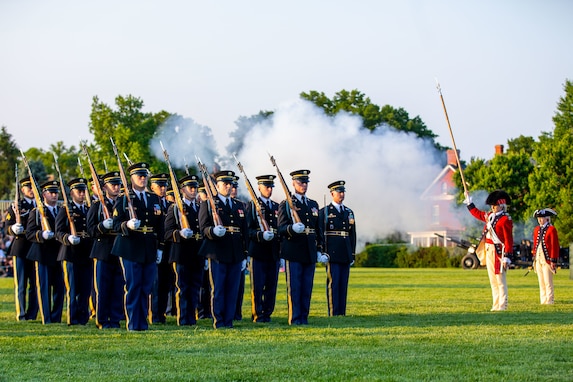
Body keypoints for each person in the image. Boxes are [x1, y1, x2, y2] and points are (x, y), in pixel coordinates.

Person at [111, 162, 163, 331]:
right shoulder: (124, 198)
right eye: (139, 176)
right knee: (133, 287)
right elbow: (115, 224)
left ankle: (143, 323)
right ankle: (133, 323)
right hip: (130, 247)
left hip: (148, 247)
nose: (142, 178)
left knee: (146, 287)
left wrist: (160, 247)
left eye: (144, 175)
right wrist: (127, 224)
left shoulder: (154, 199)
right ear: (131, 178)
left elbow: (160, 225)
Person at [198, 170, 248, 329]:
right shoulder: (208, 204)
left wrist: (244, 254)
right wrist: (212, 232)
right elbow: (203, 227)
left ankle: (229, 319)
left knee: (232, 289)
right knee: (219, 288)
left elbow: (244, 232)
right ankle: (219, 320)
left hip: (235, 252)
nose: (228, 186)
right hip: (218, 251)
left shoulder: (238, 205)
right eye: (225, 184)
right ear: (217, 186)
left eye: (230, 184)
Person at [278, 169, 327, 325]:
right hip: (293, 250)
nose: (304, 185)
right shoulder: (286, 204)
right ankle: (295, 318)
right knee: (295, 287)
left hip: (309, 251)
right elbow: (281, 228)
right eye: (300, 182)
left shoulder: (313, 204)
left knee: (307, 287)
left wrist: (319, 249)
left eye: (306, 182)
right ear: (293, 183)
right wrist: (291, 229)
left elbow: (318, 230)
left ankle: (304, 317)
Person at [164, 174, 204, 326]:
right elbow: (167, 232)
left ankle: (191, 318)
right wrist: (179, 234)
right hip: (181, 253)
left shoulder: (200, 207)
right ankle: (183, 318)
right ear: (182, 190)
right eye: (190, 188)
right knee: (183, 287)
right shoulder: (175, 209)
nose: (193, 190)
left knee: (195, 287)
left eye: (195, 187)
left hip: (197, 253)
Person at [87, 171, 125, 329]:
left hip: (120, 250)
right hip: (102, 251)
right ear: (104, 187)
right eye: (113, 185)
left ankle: (115, 319)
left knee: (118, 287)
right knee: (102, 288)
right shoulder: (97, 206)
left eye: (118, 184)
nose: (116, 187)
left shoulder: (124, 203)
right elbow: (90, 230)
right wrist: (102, 226)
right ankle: (102, 319)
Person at [465, 190, 513, 311]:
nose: (492, 207)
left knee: (500, 280)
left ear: (501, 205)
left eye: (495, 205)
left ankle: (503, 305)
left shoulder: (505, 219)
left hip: (499, 251)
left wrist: (507, 256)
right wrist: (469, 202)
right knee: (492, 280)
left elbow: (508, 240)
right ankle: (495, 304)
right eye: (492, 205)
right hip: (488, 249)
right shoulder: (490, 216)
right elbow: (477, 213)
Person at [56, 177, 94, 325]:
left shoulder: (89, 209)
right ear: (72, 193)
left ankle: (83, 317)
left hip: (85, 252)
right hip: (70, 253)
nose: (82, 193)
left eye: (84, 190)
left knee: (85, 289)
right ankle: (73, 318)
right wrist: (68, 238)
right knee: (72, 288)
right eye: (79, 191)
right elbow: (58, 232)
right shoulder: (65, 209)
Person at [26, 180, 64, 324]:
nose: (54, 195)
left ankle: (57, 316)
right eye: (51, 193)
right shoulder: (37, 212)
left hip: (58, 253)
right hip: (42, 253)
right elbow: (29, 233)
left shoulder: (61, 210)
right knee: (44, 287)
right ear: (44, 194)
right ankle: (46, 317)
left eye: (56, 192)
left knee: (60, 288)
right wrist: (41, 235)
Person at [319, 180, 356, 316]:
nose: (342, 194)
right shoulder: (325, 211)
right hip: (332, 252)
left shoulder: (348, 212)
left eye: (343, 192)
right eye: (339, 192)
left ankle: (342, 312)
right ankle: (334, 311)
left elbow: (352, 234)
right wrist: (322, 251)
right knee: (333, 283)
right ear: (332, 193)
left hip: (345, 251)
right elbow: (321, 233)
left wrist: (352, 253)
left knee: (343, 284)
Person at [246, 175, 280, 323]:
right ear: (259, 187)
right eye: (266, 186)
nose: (269, 189)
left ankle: (268, 312)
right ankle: (258, 313)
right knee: (258, 286)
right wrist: (260, 235)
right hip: (258, 251)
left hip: (273, 252)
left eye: (271, 186)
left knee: (271, 286)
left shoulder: (276, 206)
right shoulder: (252, 206)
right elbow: (248, 230)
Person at [5, 177, 38, 321]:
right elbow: (7, 226)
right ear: (22, 190)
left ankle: (33, 313)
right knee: (21, 284)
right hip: (21, 247)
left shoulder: (39, 205)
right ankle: (22, 313)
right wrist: (13, 228)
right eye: (28, 187)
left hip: (36, 247)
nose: (31, 190)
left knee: (34, 284)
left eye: (33, 187)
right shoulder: (17, 205)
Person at [149, 173, 174, 324]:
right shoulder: (150, 204)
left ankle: (162, 313)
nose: (163, 189)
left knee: (166, 283)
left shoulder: (170, 205)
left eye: (164, 186)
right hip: (154, 247)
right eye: (159, 186)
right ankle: (154, 314)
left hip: (168, 248)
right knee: (155, 284)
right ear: (152, 187)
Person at [531, 208, 560, 305]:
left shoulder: (552, 229)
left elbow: (554, 246)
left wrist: (553, 260)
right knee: (541, 281)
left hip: (547, 259)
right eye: (539, 218)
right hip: (538, 259)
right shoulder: (536, 230)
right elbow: (535, 244)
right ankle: (543, 300)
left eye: (542, 218)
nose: (540, 220)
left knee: (548, 281)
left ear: (547, 218)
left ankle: (550, 300)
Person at [231, 177, 247, 321]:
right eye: (231, 186)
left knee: (238, 286)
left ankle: (237, 313)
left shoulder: (241, 206)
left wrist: (245, 253)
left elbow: (244, 232)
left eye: (235, 187)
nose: (234, 190)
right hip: (224, 251)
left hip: (238, 251)